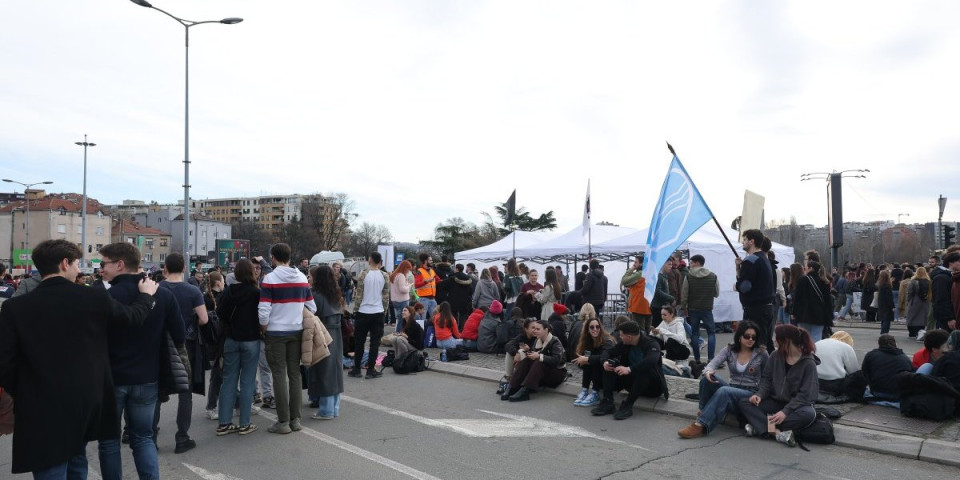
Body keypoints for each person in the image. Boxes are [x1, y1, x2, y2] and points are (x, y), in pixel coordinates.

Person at [0, 239, 159, 477]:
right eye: (76, 263)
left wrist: (24, 390)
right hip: (86, 399)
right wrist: (146, 296)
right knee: (77, 461)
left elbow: (5, 362)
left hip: (39, 403)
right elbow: (130, 318)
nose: (79, 269)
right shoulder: (92, 297)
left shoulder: (15, 308)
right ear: (65, 263)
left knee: (50, 466)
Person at [96, 242, 183, 479]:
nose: (100, 268)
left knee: (109, 441)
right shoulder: (163, 295)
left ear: (120, 264)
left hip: (111, 379)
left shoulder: (103, 297)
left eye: (103, 263)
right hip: (147, 377)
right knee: (144, 437)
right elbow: (180, 334)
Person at [259, 243, 317, 434]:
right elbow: (312, 307)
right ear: (290, 257)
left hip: (276, 333)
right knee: (295, 374)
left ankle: (283, 421)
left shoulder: (270, 278)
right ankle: (296, 419)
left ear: (273, 258)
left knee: (278, 375)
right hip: (296, 330)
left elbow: (263, 310)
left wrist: (265, 327)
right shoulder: (301, 278)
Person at [678, 321, 768, 439]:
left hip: (749, 393)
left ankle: (700, 425)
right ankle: (702, 410)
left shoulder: (762, 353)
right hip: (732, 387)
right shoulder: (729, 349)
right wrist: (708, 372)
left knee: (724, 391)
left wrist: (760, 394)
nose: (750, 339)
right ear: (740, 336)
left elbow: (768, 378)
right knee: (708, 379)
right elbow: (712, 364)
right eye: (747, 336)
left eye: (754, 337)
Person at [158, 252, 209, 453]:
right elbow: (204, 319)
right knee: (185, 393)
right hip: (185, 344)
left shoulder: (156, 288)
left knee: (157, 390)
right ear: (184, 269)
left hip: (160, 344)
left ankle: (150, 436)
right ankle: (182, 437)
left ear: (165, 269)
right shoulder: (192, 291)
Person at [739, 324, 818, 448]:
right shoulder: (775, 356)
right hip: (775, 402)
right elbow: (767, 380)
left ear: (786, 341)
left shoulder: (808, 363)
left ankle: (759, 426)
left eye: (777, 338)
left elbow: (806, 395)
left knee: (809, 414)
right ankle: (776, 433)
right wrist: (759, 395)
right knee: (745, 403)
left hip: (795, 407)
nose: (775, 341)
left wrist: (785, 412)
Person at [215, 259, 263, 437]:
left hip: (231, 340)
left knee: (228, 380)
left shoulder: (229, 291)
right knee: (247, 381)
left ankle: (224, 423)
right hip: (251, 340)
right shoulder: (256, 293)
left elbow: (220, 314)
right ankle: (244, 423)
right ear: (251, 273)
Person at [591, 321, 668, 420]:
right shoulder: (625, 344)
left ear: (630, 337)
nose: (620, 337)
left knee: (644, 369)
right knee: (611, 364)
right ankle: (608, 402)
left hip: (652, 387)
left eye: (622, 335)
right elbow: (609, 352)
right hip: (633, 383)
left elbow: (651, 361)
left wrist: (629, 369)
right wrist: (604, 362)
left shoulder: (651, 343)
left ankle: (628, 405)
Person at [307, 265, 345, 420]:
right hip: (336, 333)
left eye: (311, 276)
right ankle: (334, 408)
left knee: (323, 371)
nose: (309, 278)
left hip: (322, 334)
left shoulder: (315, 295)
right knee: (334, 370)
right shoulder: (336, 294)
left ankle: (326, 410)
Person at [501, 319, 567, 402]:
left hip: (557, 374)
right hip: (544, 373)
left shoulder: (555, 341)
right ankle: (512, 386)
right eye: (534, 328)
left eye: (538, 329)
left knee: (539, 362)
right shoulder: (537, 340)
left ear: (546, 330)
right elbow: (533, 355)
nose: (535, 331)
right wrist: (527, 351)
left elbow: (556, 360)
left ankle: (525, 390)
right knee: (527, 360)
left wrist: (539, 356)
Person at [349, 252, 390, 379]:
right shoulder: (385, 275)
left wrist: (355, 310)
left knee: (359, 342)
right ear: (380, 262)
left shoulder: (363, 274)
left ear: (370, 260)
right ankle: (371, 369)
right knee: (374, 342)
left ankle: (356, 369)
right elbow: (386, 296)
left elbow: (359, 295)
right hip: (378, 311)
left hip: (363, 311)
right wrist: (384, 311)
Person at [682, 254, 720, 364]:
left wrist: (684, 307)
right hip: (707, 308)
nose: (690, 265)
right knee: (711, 333)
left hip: (693, 308)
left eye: (692, 262)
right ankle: (711, 359)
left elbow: (684, 293)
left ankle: (697, 359)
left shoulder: (688, 276)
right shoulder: (713, 276)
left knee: (694, 334)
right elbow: (716, 293)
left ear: (698, 263)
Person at [570, 316, 616, 407]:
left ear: (600, 328)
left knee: (593, 362)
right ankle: (585, 390)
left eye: (597, 327)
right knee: (588, 362)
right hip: (598, 375)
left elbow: (604, 358)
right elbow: (583, 360)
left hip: (610, 376)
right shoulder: (587, 341)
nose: (595, 329)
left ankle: (595, 393)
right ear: (587, 329)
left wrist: (587, 359)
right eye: (592, 327)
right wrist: (584, 360)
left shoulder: (607, 341)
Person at [861, 334, 913, 400]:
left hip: (877, 392)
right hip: (898, 395)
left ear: (879, 344)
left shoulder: (871, 355)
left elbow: (864, 373)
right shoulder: (904, 358)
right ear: (895, 344)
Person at [791, 260, 833, 341]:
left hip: (803, 314)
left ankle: (805, 353)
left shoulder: (802, 280)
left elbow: (797, 299)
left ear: (811, 268)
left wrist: (794, 312)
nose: (804, 269)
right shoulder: (825, 281)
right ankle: (815, 353)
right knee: (817, 339)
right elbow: (828, 301)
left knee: (803, 339)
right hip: (819, 316)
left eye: (805, 267)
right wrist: (829, 316)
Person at [814, 331, 860, 396]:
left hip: (815, 381)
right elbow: (854, 371)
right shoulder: (847, 347)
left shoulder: (817, 343)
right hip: (834, 384)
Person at [651, 306, 691, 371]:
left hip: (683, 351)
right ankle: (653, 358)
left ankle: (668, 365)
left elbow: (680, 339)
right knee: (651, 339)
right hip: (670, 347)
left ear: (671, 314)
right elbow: (659, 335)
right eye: (661, 315)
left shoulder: (679, 324)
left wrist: (663, 331)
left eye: (665, 315)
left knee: (670, 341)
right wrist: (654, 333)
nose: (662, 317)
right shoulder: (664, 322)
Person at [621, 256, 652, 333]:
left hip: (638, 306)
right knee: (648, 330)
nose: (634, 264)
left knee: (639, 331)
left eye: (636, 262)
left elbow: (624, 281)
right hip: (648, 306)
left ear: (641, 263)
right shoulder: (650, 272)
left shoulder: (639, 274)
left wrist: (631, 269)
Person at [931, 252, 959, 332]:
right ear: (951, 263)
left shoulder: (950, 276)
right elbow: (941, 300)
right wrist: (949, 318)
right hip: (947, 320)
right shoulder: (941, 278)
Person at [389, 260, 414, 334]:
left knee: (398, 319)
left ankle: (397, 333)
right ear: (405, 268)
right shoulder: (401, 276)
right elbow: (402, 289)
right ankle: (399, 334)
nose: (408, 271)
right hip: (402, 300)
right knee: (402, 320)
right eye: (408, 269)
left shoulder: (394, 275)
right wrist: (409, 286)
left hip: (394, 300)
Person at [906, 267, 931, 339]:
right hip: (925, 302)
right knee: (922, 318)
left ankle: (912, 333)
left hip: (915, 301)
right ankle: (921, 333)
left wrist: (908, 301)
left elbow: (910, 292)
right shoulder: (928, 281)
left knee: (912, 316)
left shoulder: (913, 281)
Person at [651, 258, 675, 329]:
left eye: (671, 264)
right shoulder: (658, 276)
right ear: (663, 264)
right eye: (669, 264)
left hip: (663, 306)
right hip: (658, 307)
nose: (671, 266)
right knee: (658, 328)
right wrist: (671, 298)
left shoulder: (664, 276)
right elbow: (658, 292)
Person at [414, 253, 438, 319]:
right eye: (430, 260)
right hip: (423, 299)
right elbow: (416, 285)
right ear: (425, 261)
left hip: (432, 298)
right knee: (421, 319)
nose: (432, 262)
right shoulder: (419, 271)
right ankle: (421, 329)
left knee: (436, 318)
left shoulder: (432, 271)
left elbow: (439, 281)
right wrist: (426, 281)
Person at [876, 270, 896, 334]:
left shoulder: (880, 284)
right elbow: (889, 297)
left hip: (881, 303)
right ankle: (884, 332)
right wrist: (892, 306)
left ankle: (883, 331)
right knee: (887, 320)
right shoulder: (887, 286)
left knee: (883, 319)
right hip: (887, 305)